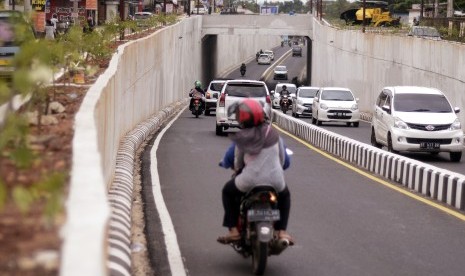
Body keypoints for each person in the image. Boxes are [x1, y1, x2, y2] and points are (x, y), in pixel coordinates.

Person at [217, 99, 294, 245]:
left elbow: (238, 163)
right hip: (276, 181)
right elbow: (283, 161)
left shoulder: (243, 137)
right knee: (285, 196)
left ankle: (233, 230)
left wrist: (239, 169)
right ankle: (281, 231)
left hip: (249, 181)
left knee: (227, 191)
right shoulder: (273, 134)